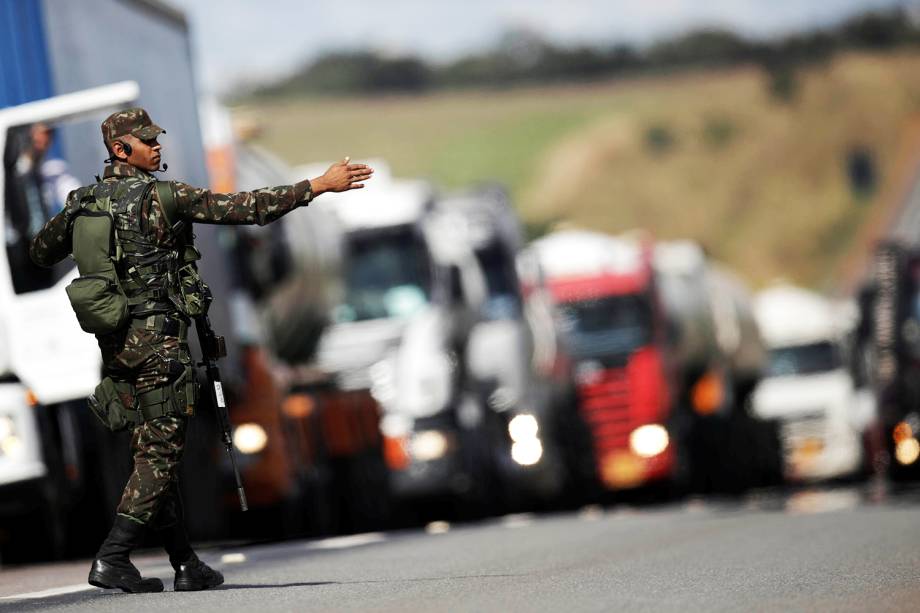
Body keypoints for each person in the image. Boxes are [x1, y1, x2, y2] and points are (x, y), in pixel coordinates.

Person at [29, 108, 372, 593]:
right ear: (120, 149)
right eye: (146, 141)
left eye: (156, 138)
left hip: (117, 348)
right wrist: (317, 184)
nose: (157, 146)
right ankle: (113, 556)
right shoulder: (166, 197)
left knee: (151, 448)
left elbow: (41, 253)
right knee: (161, 456)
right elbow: (248, 207)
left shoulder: (83, 203)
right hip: (159, 346)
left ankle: (186, 564)